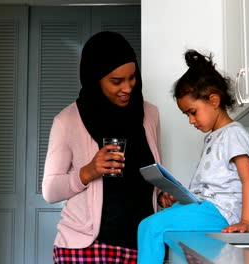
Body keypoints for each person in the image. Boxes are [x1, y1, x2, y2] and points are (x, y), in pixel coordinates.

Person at [42, 31, 162, 264]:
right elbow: (50, 190)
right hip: (85, 248)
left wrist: (163, 194)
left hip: (141, 245)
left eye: (132, 78)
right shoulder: (67, 121)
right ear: (94, 78)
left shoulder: (150, 114)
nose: (127, 88)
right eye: (116, 81)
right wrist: (89, 171)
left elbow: (152, 175)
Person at [137, 49, 249, 263]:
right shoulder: (214, 137)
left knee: (150, 226)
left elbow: (248, 179)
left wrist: (246, 220)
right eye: (187, 115)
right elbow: (212, 183)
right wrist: (180, 196)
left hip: (220, 212)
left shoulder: (234, 133)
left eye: (193, 112)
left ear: (213, 101)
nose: (191, 121)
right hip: (206, 208)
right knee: (169, 232)